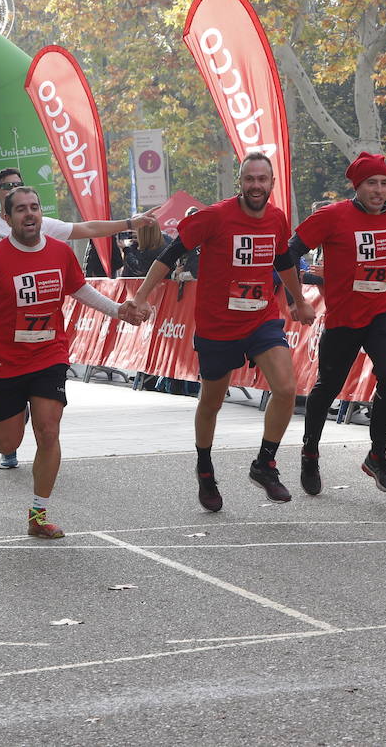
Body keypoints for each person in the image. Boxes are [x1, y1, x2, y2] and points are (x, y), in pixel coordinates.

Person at [0, 167, 156, 470]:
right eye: (8, 187)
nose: (18, 194)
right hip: (2, 340)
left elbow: (87, 231)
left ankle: (39, 507)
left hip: (44, 347)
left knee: (47, 428)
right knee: (9, 439)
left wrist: (129, 223)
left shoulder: (43, 226)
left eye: (21, 187)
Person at [0, 186, 146, 538]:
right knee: (9, 443)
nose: (30, 214)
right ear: (7, 218)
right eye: (21, 209)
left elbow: (80, 289)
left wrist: (118, 311)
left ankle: (38, 514)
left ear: (41, 213)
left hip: (48, 354)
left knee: (48, 429)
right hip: (3, 362)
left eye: (35, 208)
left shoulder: (58, 252)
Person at [129, 153, 316, 511]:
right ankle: (205, 469)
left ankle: (265, 464)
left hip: (260, 319)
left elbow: (282, 261)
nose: (256, 186)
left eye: (263, 180)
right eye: (250, 179)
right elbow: (169, 255)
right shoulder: (214, 217)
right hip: (218, 325)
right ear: (241, 183)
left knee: (287, 388)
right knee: (212, 401)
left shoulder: (277, 219)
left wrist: (299, 299)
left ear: (272, 184)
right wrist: (139, 296)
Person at [287, 152, 386, 495]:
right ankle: (309, 452)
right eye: (372, 183)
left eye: (384, 183)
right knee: (328, 387)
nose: (379, 190)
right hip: (343, 315)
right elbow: (290, 251)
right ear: (358, 185)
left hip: (383, 310)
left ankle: (377, 455)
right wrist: (296, 298)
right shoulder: (332, 216)